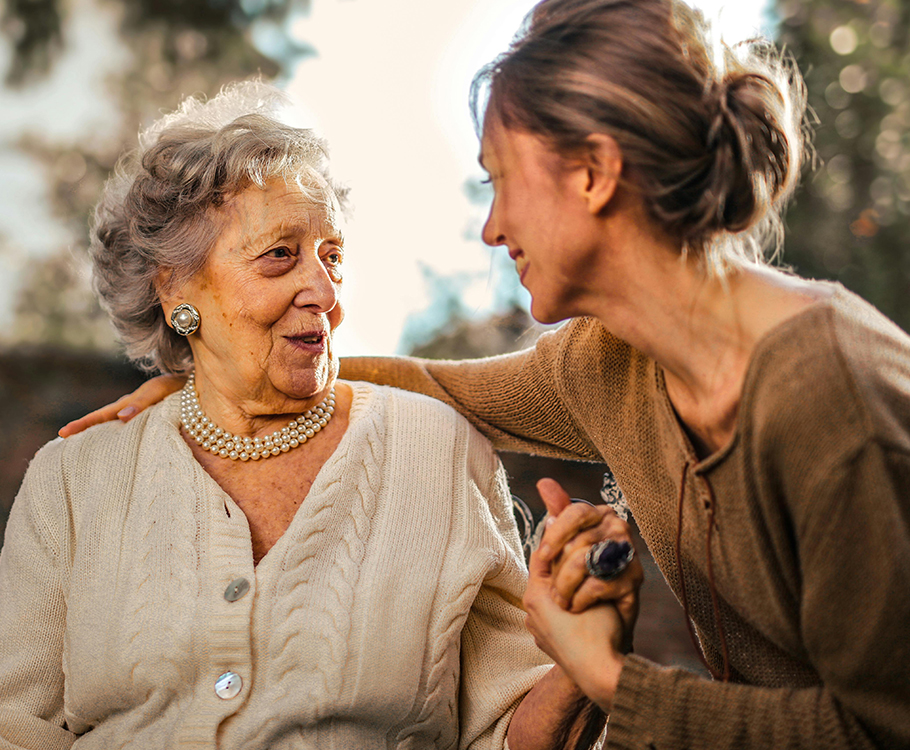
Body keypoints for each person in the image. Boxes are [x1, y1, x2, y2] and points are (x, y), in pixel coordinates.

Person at [61, 0, 910, 747]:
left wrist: (615, 683)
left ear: (593, 172)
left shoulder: (829, 397)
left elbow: (881, 729)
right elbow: (439, 385)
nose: (492, 228)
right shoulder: (610, 363)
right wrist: (217, 374)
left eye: (501, 182)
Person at [0, 79, 625, 749]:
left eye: (333, 257)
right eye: (280, 257)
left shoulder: (436, 450)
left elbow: (507, 734)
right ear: (176, 287)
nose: (325, 293)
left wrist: (578, 668)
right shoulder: (73, 480)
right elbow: (18, 728)